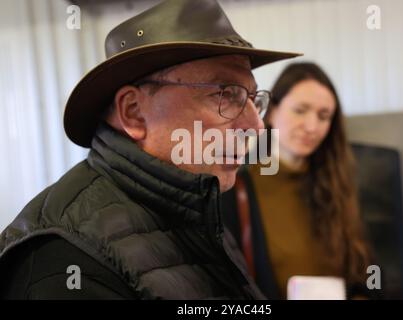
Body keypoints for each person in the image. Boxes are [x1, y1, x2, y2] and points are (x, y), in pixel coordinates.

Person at [0, 0, 299, 299]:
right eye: (225, 94)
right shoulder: (64, 258)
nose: (256, 127)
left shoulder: (197, 205)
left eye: (250, 97)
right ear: (133, 112)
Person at [222, 62, 372, 299]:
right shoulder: (234, 189)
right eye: (300, 110)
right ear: (271, 112)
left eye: (324, 116)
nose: (312, 126)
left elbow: (366, 276)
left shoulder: (339, 187)